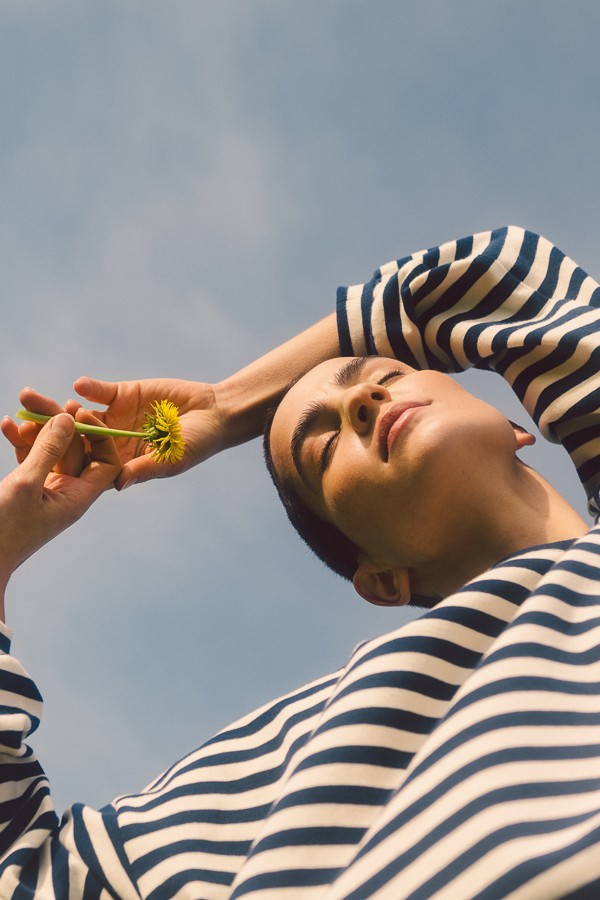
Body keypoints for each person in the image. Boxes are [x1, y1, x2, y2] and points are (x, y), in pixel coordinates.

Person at [1, 224, 600, 897]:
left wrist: (229, 406)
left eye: (385, 375)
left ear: (518, 426)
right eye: (323, 446)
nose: (360, 400)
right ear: (379, 578)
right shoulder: (275, 765)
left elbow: (489, 277)